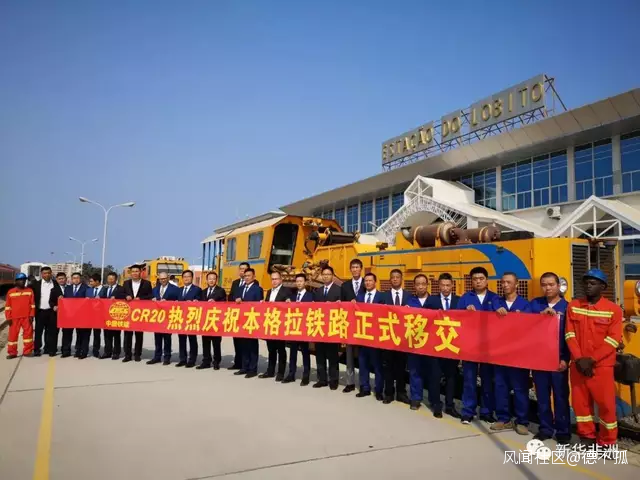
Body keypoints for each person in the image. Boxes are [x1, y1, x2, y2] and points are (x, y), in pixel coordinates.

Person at [565, 269, 622, 447]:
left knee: (606, 405)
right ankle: (586, 437)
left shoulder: (613, 310)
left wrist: (591, 360)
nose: (588, 286)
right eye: (586, 283)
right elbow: (569, 334)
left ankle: (607, 442)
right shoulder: (573, 306)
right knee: (580, 404)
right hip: (578, 365)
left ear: (602, 287)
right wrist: (579, 359)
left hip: (601, 366)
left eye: (593, 283)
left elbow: (613, 339)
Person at [530, 272, 571, 445]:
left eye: (551, 284)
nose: (547, 288)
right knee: (542, 396)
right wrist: (540, 317)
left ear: (558, 286)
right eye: (544, 285)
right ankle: (545, 429)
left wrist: (566, 359)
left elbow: (570, 336)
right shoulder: (535, 304)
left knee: (561, 396)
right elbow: (524, 326)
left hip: (558, 360)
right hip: (539, 360)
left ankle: (563, 431)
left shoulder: (567, 307)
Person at [458, 266, 500, 425]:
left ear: (487, 280)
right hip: (470, 346)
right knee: (469, 380)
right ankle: (467, 412)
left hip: (489, 347)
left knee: (488, 380)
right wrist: (464, 311)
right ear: (471, 281)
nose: (478, 281)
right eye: (475, 279)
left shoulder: (495, 298)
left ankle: (486, 412)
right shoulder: (465, 298)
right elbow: (456, 318)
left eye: (481, 279)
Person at [491, 272, 531, 435]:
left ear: (517, 284)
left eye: (508, 282)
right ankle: (503, 418)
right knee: (500, 386)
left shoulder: (525, 305)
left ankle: (522, 421)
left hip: (518, 355)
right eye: (503, 282)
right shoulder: (496, 303)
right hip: (500, 354)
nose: (505, 285)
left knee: (520, 387)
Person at [424, 273, 461, 418]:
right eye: (443, 285)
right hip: (436, 346)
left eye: (448, 285)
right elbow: (423, 317)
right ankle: (436, 404)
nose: (445, 288)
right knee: (435, 376)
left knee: (451, 376)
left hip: (452, 345)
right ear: (438, 286)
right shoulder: (432, 300)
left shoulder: (458, 301)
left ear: (452, 285)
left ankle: (450, 405)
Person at [406, 273, 443, 416]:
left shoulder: (435, 301)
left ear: (427, 285)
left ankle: (435, 402)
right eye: (418, 284)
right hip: (415, 343)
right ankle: (416, 398)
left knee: (434, 374)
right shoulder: (410, 301)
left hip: (432, 344)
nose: (420, 286)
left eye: (423, 284)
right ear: (414, 286)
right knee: (415, 371)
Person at [354, 272, 384, 400]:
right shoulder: (359, 297)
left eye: (370, 280)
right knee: (363, 363)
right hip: (362, 336)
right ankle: (364, 387)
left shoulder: (381, 297)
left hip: (376, 337)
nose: (368, 283)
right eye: (366, 281)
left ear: (375, 282)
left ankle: (379, 390)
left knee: (377, 365)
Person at [381, 269, 410, 404]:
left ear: (401, 279)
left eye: (397, 277)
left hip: (403, 338)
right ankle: (388, 393)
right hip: (388, 336)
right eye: (393, 277)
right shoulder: (383, 296)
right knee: (388, 367)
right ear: (390, 279)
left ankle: (401, 393)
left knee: (401, 367)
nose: (395, 279)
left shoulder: (409, 296)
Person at [312, 266, 342, 390]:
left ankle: (333, 380)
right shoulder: (318, 291)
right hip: (320, 327)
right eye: (324, 274)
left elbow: (343, 308)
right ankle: (322, 379)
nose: (325, 276)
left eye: (328, 274)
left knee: (333, 355)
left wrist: (336, 305)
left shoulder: (339, 290)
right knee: (320, 355)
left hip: (332, 327)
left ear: (332, 276)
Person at [340, 259, 366, 394]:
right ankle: (350, 382)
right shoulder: (345, 286)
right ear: (350, 269)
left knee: (363, 356)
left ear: (361, 268)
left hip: (364, 325)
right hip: (350, 324)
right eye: (353, 267)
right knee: (349, 355)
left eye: (357, 267)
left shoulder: (367, 283)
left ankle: (363, 384)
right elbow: (342, 305)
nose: (355, 269)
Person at [261, 271, 291, 381]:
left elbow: (290, 304)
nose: (274, 281)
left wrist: (289, 301)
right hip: (270, 323)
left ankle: (281, 373)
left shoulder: (286, 291)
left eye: (276, 279)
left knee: (281, 350)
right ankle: (270, 371)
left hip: (280, 324)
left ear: (281, 279)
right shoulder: (269, 291)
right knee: (271, 349)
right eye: (272, 279)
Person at [283, 273, 312, 385]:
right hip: (294, 328)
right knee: (293, 352)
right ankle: (291, 374)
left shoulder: (310, 296)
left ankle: (306, 376)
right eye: (297, 281)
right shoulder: (292, 296)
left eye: (301, 281)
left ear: (305, 283)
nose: (299, 283)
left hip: (304, 328)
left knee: (305, 352)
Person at [234, 268, 263, 378]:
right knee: (243, 345)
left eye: (249, 276)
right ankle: (244, 367)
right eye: (245, 276)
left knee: (252, 346)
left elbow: (258, 305)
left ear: (254, 277)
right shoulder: (240, 288)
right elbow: (234, 300)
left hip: (252, 320)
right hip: (241, 320)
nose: (246, 278)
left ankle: (252, 369)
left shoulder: (258, 289)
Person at [123, 264, 153, 362]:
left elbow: (150, 295)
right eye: (133, 271)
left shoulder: (147, 283)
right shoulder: (126, 283)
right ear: (130, 273)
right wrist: (126, 296)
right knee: (127, 335)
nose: (135, 273)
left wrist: (141, 298)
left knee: (139, 335)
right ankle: (127, 355)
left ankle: (137, 354)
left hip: (140, 313)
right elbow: (121, 293)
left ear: (140, 272)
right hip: (128, 312)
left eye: (137, 271)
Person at [148, 272, 180, 365]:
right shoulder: (155, 289)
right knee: (157, 338)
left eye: (164, 278)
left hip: (168, 317)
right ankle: (157, 357)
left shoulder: (175, 289)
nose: (163, 280)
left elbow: (179, 301)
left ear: (168, 278)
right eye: (161, 279)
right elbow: (149, 301)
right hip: (157, 317)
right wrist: (152, 300)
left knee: (167, 338)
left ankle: (167, 357)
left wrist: (169, 302)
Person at [198, 272, 226, 370]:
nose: (211, 280)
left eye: (213, 279)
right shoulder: (203, 291)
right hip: (205, 321)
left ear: (216, 280)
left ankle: (216, 361)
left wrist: (216, 303)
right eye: (209, 279)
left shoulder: (221, 291)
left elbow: (224, 304)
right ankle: (206, 361)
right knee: (205, 342)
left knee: (216, 343)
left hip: (216, 321)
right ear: (206, 280)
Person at [5, 273, 35, 359]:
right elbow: (8, 306)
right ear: (16, 281)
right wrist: (8, 318)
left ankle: (27, 351)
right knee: (13, 336)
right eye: (20, 280)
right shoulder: (10, 292)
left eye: (24, 280)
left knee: (28, 335)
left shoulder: (30, 291)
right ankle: (12, 352)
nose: (23, 281)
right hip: (14, 318)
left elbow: (32, 305)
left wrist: (31, 315)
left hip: (27, 317)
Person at [176, 269, 202, 368]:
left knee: (192, 339)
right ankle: (182, 359)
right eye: (185, 277)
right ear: (182, 278)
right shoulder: (179, 290)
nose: (186, 278)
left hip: (192, 318)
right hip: (181, 318)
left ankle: (192, 360)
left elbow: (200, 301)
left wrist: (196, 301)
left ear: (192, 278)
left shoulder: (197, 289)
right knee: (181, 339)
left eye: (188, 276)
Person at [227, 262, 251, 370]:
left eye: (245, 269)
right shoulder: (235, 283)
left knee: (245, 343)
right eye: (241, 269)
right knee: (236, 341)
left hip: (247, 317)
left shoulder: (254, 283)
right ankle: (237, 363)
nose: (242, 271)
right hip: (236, 316)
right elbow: (231, 297)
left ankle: (246, 364)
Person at [60, 272, 88, 358]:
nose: (76, 279)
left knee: (81, 334)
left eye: (77, 278)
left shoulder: (86, 288)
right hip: (69, 315)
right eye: (74, 278)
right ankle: (66, 351)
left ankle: (80, 351)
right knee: (67, 333)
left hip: (81, 315)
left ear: (81, 279)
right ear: (71, 279)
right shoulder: (67, 288)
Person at [100, 272, 126, 360]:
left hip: (116, 315)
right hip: (105, 315)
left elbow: (124, 296)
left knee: (116, 335)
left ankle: (116, 353)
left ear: (116, 279)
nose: (110, 280)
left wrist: (116, 297)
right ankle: (107, 352)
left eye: (112, 279)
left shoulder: (121, 288)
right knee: (107, 335)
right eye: (109, 279)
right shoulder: (104, 288)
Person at [32, 266, 55, 357]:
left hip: (51, 312)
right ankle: (37, 349)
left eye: (48, 273)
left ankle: (48, 348)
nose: (47, 275)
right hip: (40, 311)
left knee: (49, 332)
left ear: (51, 273)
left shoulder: (55, 283)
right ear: (41, 274)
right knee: (38, 331)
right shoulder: (35, 284)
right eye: (45, 273)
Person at [46, 272, 67, 357]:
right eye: (59, 279)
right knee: (53, 333)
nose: (61, 280)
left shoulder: (70, 289)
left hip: (67, 315)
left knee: (66, 333)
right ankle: (52, 350)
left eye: (63, 278)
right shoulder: (54, 290)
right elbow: (50, 301)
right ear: (57, 280)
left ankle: (65, 350)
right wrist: (53, 306)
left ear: (66, 279)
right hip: (56, 314)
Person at [85, 273, 105, 358]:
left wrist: (102, 300)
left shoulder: (105, 290)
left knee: (97, 334)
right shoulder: (88, 290)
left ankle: (96, 351)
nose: (90, 283)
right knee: (86, 334)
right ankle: (84, 351)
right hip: (88, 315)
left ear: (97, 281)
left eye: (91, 281)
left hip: (99, 316)